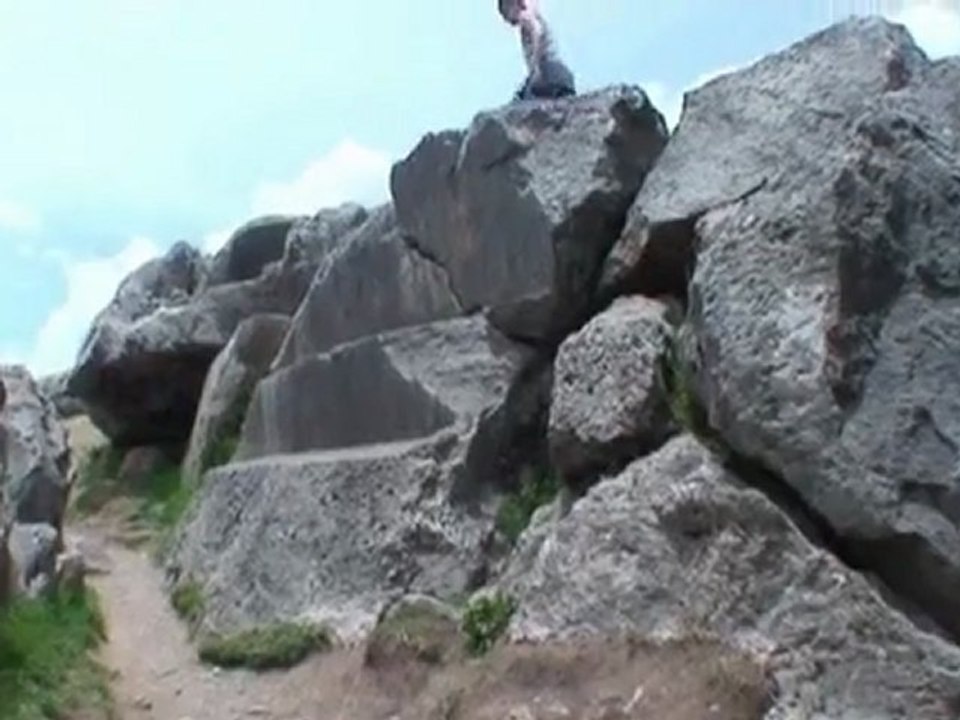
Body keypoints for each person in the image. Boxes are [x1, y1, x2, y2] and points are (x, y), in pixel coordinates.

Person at [498, 0, 576, 101]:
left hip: (549, 71)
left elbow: (536, 34)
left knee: (526, 99)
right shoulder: (527, 23)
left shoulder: (527, 19)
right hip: (555, 71)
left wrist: (535, 69)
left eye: (505, 13)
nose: (506, 20)